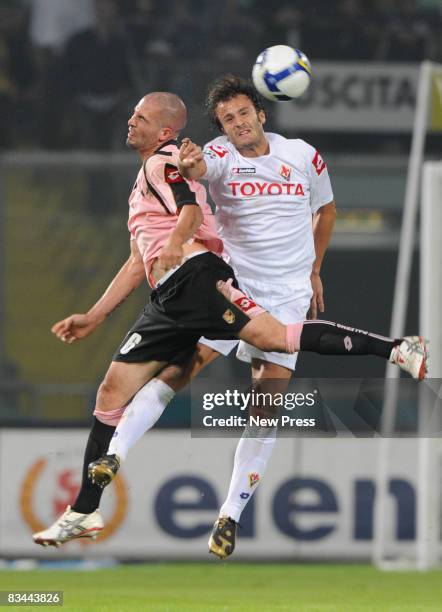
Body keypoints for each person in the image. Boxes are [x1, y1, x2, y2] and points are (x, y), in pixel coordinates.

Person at [32, 89, 427, 555]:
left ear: (260, 114)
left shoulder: (301, 155)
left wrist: (315, 269)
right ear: (219, 128)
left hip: (286, 292)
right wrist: (191, 172)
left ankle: (229, 514)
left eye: (243, 113)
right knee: (176, 372)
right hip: (229, 282)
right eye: (226, 118)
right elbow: (194, 178)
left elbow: (327, 211)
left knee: (265, 407)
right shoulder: (214, 155)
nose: (237, 122)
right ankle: (107, 467)